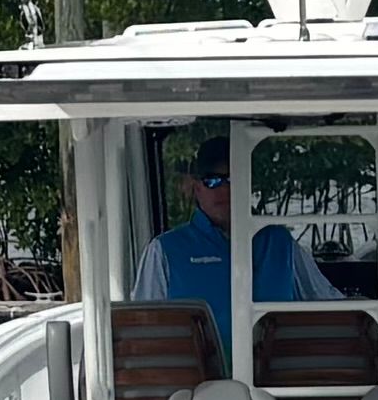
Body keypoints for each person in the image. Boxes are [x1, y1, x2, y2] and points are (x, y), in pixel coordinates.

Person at [131, 136, 341, 363]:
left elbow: (332, 309)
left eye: (233, 178)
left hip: (277, 380)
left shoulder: (281, 243)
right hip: (198, 383)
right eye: (213, 181)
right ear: (197, 187)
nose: (224, 189)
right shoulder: (164, 251)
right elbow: (144, 330)